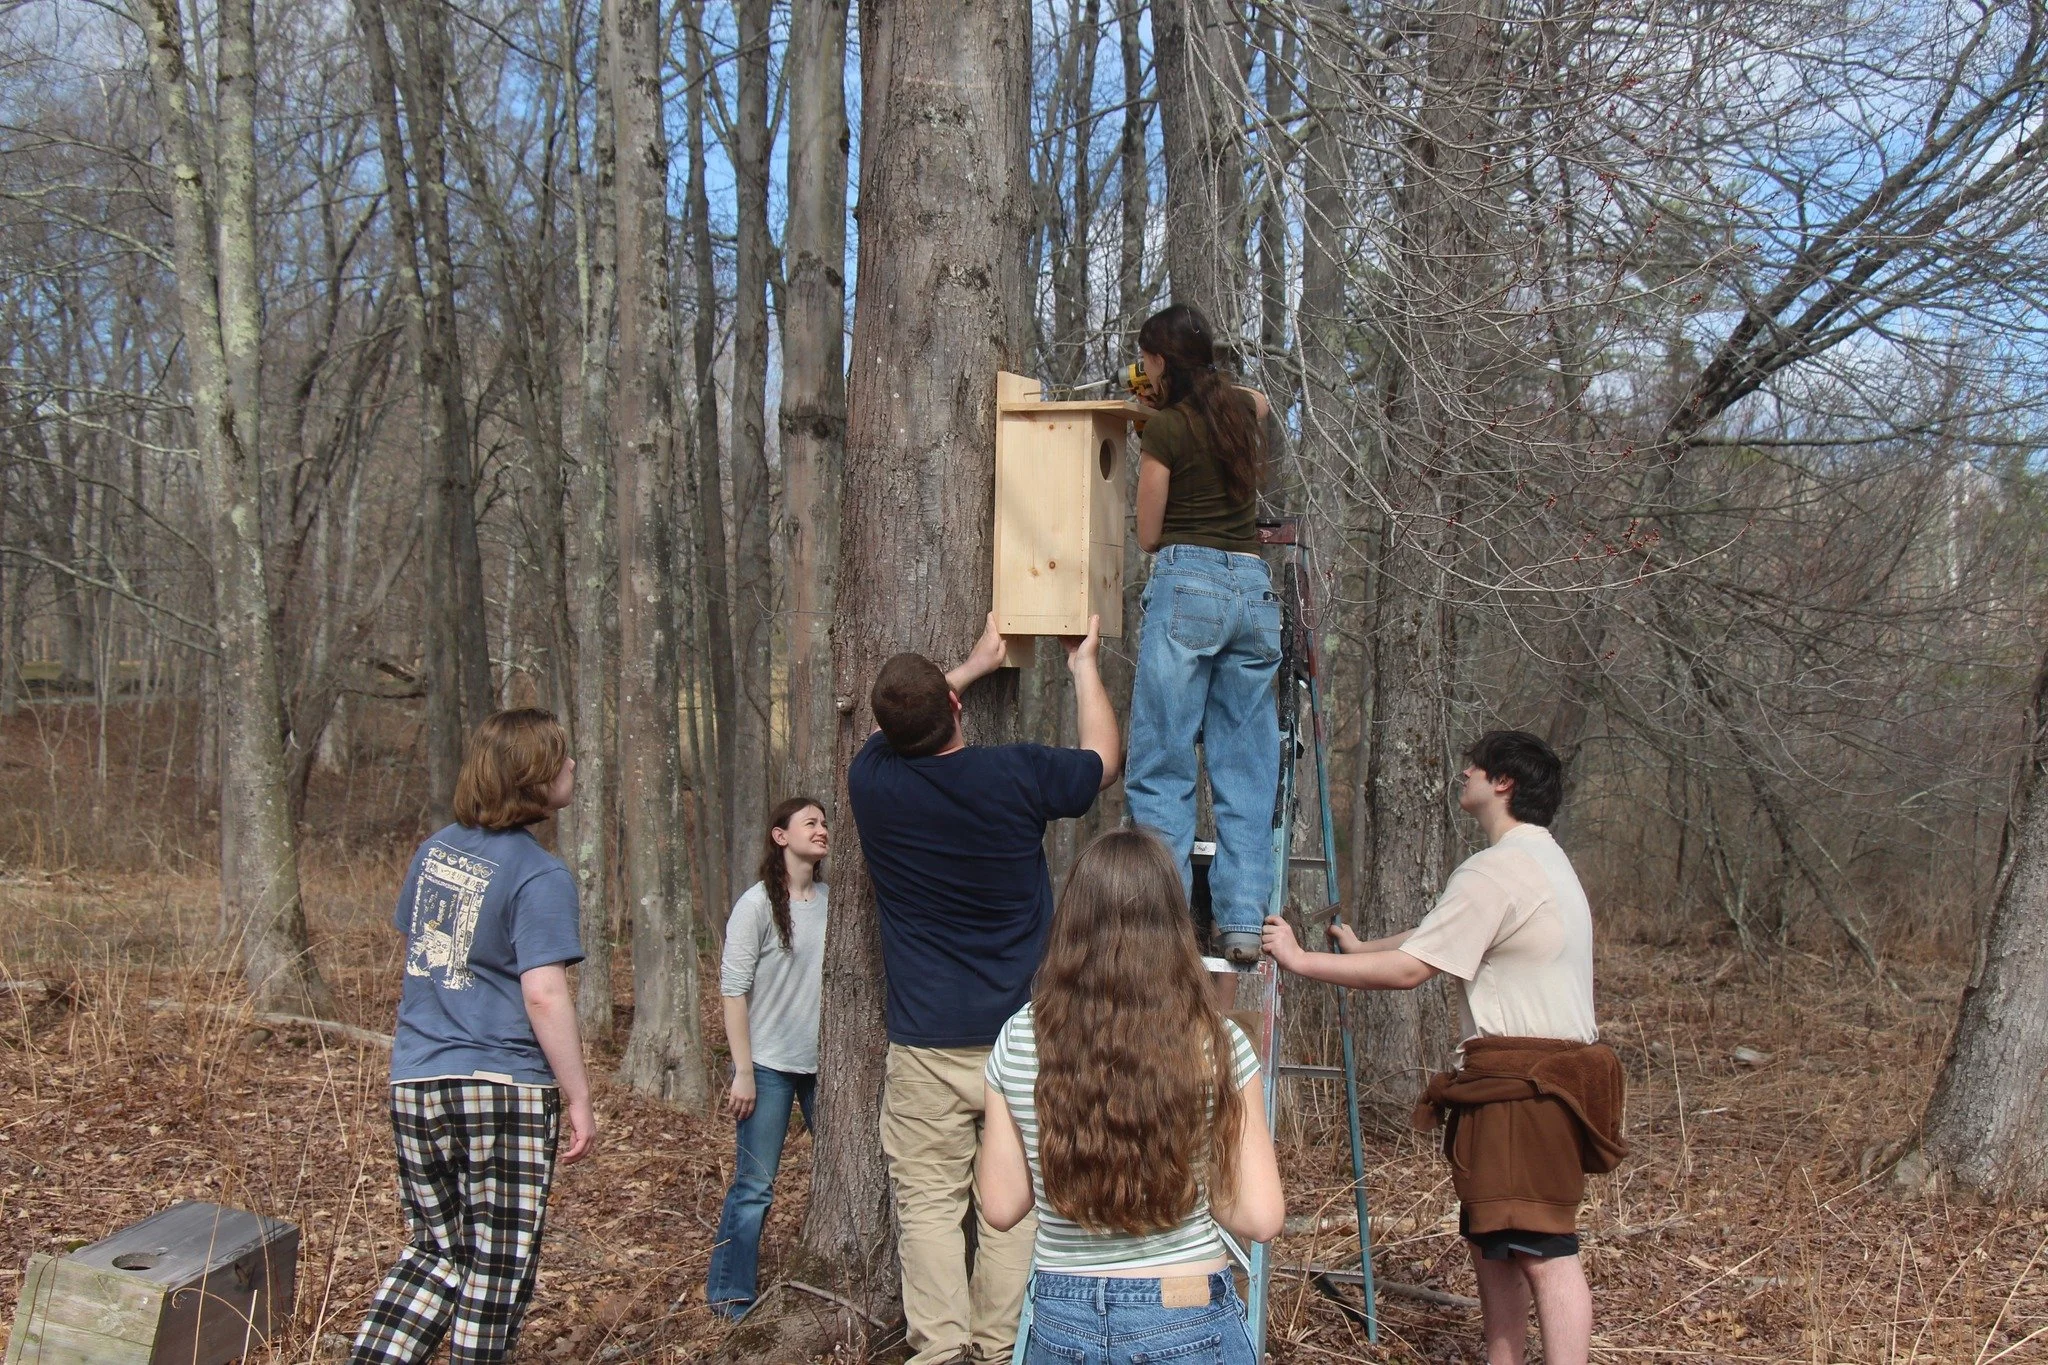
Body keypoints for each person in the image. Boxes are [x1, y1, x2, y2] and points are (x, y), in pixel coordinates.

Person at [1260, 730, 1626, 1365]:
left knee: (1544, 1252)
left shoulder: (1499, 867)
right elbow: (1448, 931)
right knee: (1497, 1247)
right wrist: (1362, 945)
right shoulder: (1539, 861)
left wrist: (1300, 959)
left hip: (1526, 1088)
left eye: (1474, 768)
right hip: (1530, 1088)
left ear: (1503, 783)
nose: (1464, 774)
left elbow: (1411, 970)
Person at [847, 611, 1120, 1365]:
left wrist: (961, 669)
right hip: (1021, 1039)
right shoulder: (1017, 775)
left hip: (926, 1043)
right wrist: (1082, 664)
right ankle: (998, 1349)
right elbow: (1102, 759)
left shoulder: (871, 783)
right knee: (1016, 1203)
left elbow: (898, 726)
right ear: (957, 708)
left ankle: (939, 1351)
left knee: (929, 1205)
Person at [979, 829, 1284, 1365]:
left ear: (1072, 922)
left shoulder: (1019, 1037)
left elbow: (1003, 1207)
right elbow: (1259, 1217)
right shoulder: (1218, 1041)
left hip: (1060, 1318)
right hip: (1186, 1307)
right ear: (1174, 924)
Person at [352, 709, 596, 1365]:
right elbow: (543, 993)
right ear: (533, 779)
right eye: (560, 758)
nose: (572, 766)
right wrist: (577, 1095)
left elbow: (431, 960)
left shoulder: (436, 852)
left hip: (417, 1080)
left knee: (436, 1251)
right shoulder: (539, 874)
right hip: (504, 1086)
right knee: (497, 1262)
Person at [1124, 302, 1279, 965]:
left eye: (1147, 360)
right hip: (1252, 586)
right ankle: (1243, 921)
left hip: (1187, 584)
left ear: (1158, 361)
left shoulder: (1166, 430)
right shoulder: (1238, 413)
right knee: (1245, 768)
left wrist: (1155, 412)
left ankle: (1163, 924)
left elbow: (1150, 534)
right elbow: (1263, 399)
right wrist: (1200, 384)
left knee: (1163, 761)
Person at [706, 796, 830, 1319]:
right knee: (755, 1187)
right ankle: (730, 1297)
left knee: (847, 1171)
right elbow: (733, 991)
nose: (822, 830)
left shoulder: (832, 900)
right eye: (810, 822)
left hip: (826, 1069)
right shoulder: (756, 905)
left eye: (825, 823)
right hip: (772, 1066)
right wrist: (744, 1070)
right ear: (781, 836)